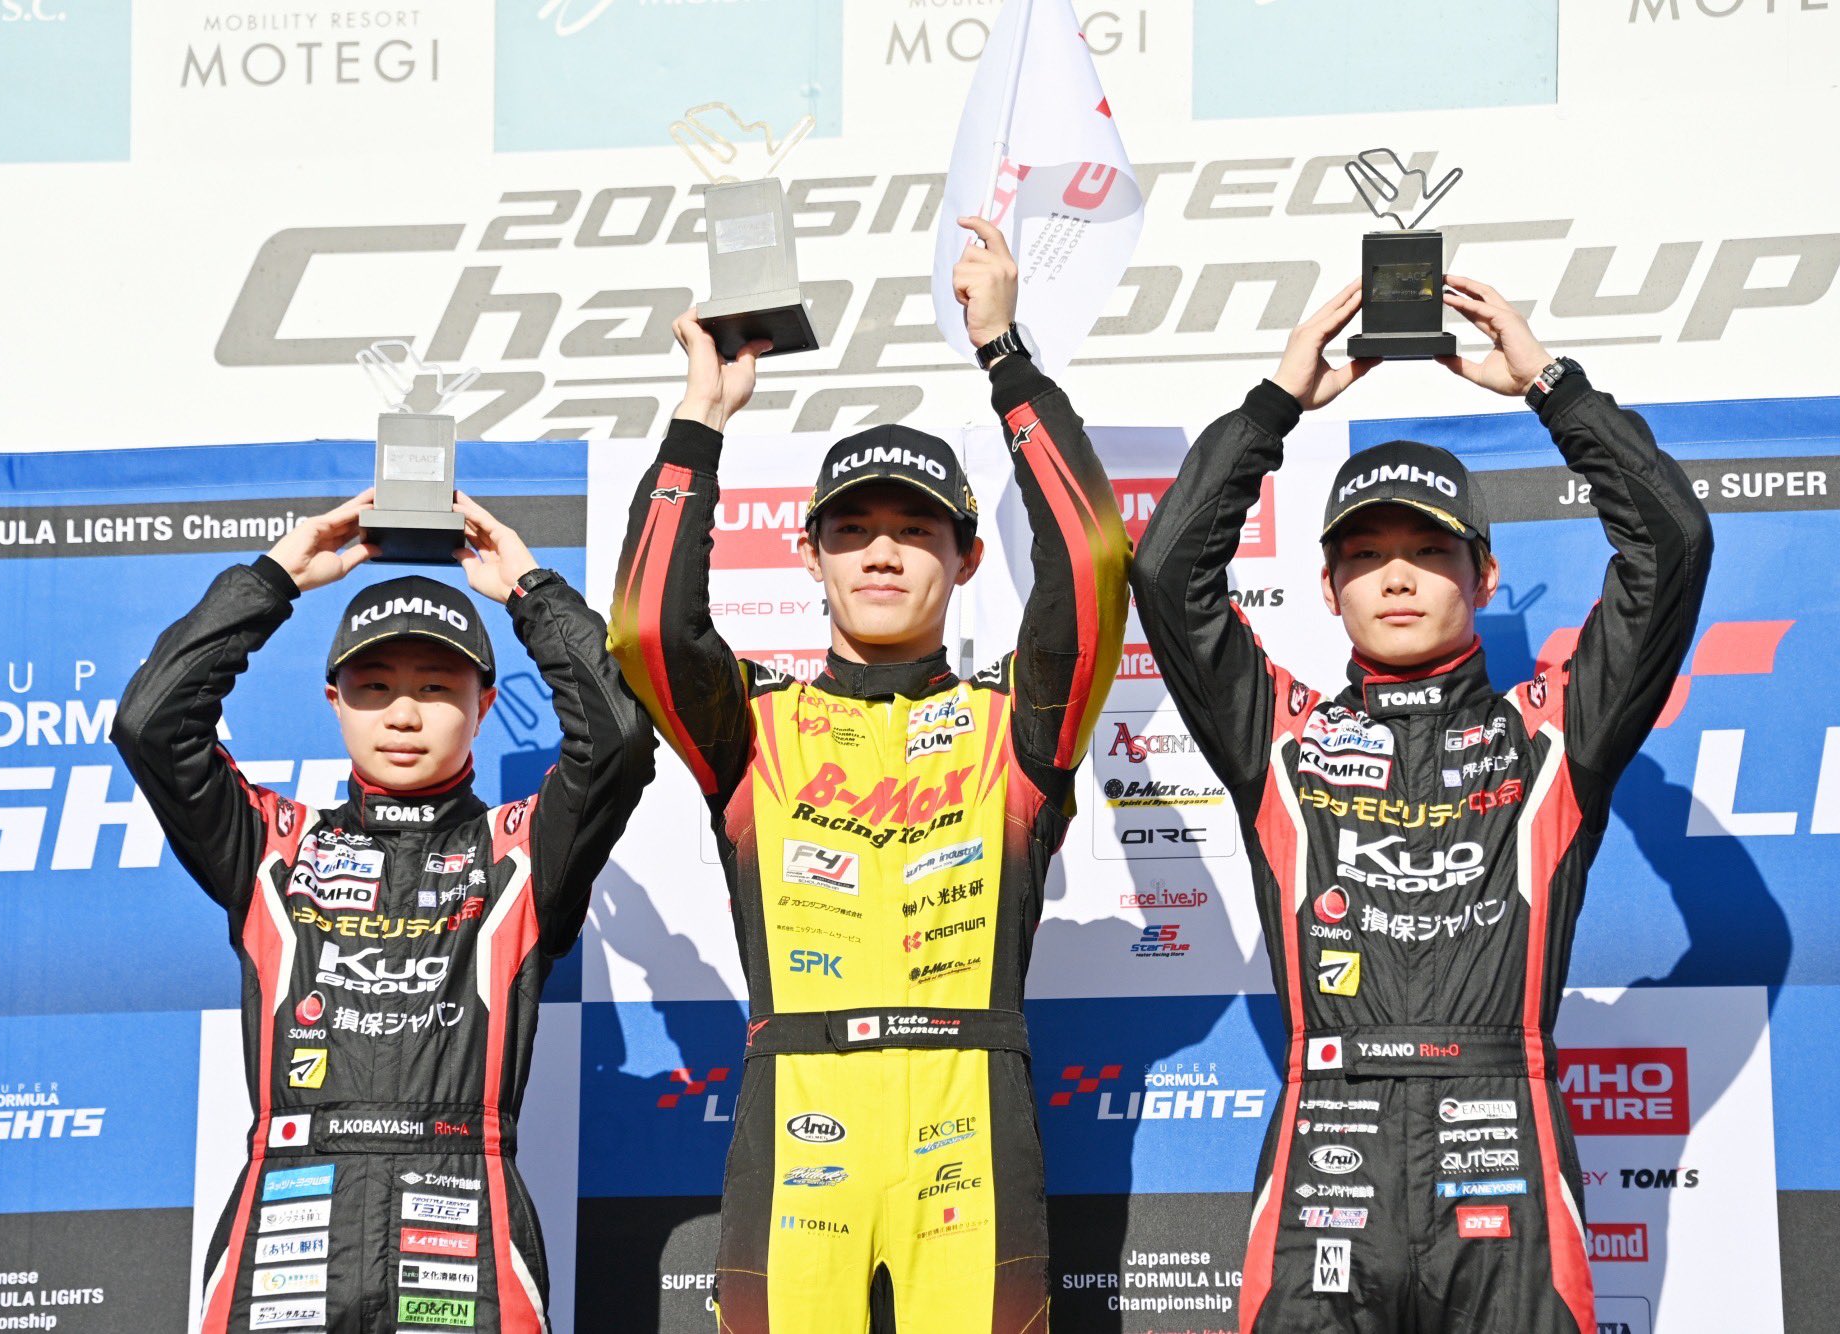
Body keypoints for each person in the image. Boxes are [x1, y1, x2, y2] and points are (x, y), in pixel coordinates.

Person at [1130, 277, 1712, 1333]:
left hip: (1506, 1136)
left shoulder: (1550, 733)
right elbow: (1169, 575)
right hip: (1324, 1134)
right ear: (1327, 588)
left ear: (1483, 577)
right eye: (1364, 555)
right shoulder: (1282, 737)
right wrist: (1273, 406)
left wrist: (1551, 387)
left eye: (1429, 551)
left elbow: (1667, 546)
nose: (1395, 578)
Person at [608, 217, 1129, 1333]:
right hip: (797, 1123)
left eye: (915, 529)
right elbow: (647, 627)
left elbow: (1091, 563)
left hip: (971, 1126)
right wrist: (701, 420)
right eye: (852, 529)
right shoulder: (754, 726)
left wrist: (1005, 357)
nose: (883, 552)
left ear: (966, 557)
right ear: (809, 555)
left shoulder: (1016, 727)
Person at [114, 490, 654, 1334]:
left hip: (466, 1225)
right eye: (374, 687)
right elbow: (152, 725)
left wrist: (532, 591)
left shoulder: (519, 852)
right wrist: (274, 579)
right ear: (334, 702)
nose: (403, 714)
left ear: (483, 703)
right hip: (284, 1221)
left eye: (435, 687)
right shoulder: (273, 846)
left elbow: (616, 737)